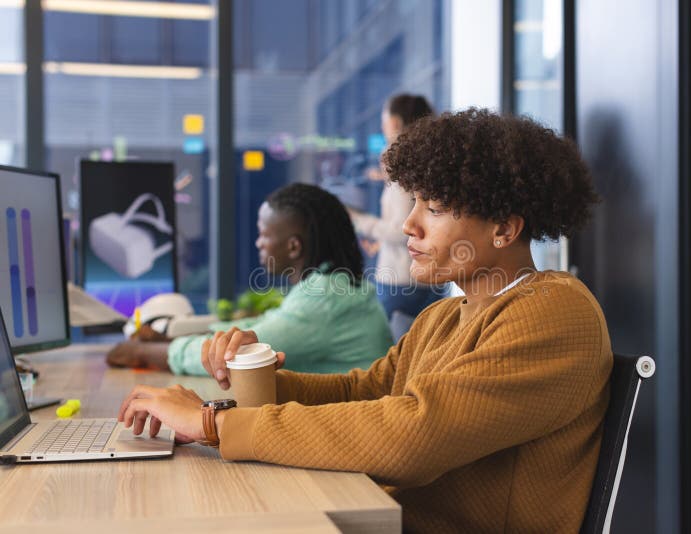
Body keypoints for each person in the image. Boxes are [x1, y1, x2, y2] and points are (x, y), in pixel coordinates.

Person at [117, 109, 612, 533]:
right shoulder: (445, 314)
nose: (408, 225)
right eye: (414, 201)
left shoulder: (554, 312)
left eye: (433, 208)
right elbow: (365, 393)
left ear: (504, 228)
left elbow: (415, 434)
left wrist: (213, 423)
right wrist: (253, 377)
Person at [106, 183, 393, 376]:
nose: (258, 244)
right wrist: (173, 336)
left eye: (263, 234)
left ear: (294, 247)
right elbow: (256, 328)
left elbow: (236, 354)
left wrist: (140, 351)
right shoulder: (333, 287)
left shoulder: (325, 298)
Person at [350, 94, 442, 327]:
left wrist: (357, 220)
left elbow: (401, 230)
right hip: (428, 279)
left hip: (401, 281)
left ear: (397, 123)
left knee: (398, 357)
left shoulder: (405, 168)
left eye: (385, 121)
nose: (382, 127)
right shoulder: (431, 163)